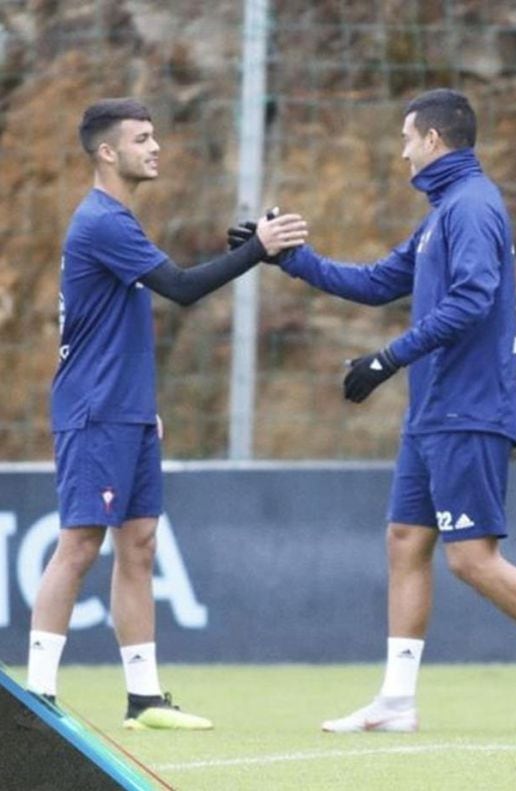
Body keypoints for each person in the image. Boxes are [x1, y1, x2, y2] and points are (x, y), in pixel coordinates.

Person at [230, 88, 516, 734]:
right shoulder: (444, 210)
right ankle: (396, 699)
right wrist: (288, 259)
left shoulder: (472, 206)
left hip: (469, 409)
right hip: (434, 412)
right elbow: (380, 280)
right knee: (406, 540)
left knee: (471, 558)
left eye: (408, 138)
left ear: (435, 141)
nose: (402, 150)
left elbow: (474, 299)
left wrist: (387, 360)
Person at [28, 98, 308, 730]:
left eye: (155, 136)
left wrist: (141, 407)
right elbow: (181, 287)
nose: (156, 147)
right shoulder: (101, 221)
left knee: (141, 544)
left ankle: (144, 698)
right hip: (94, 412)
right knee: (78, 543)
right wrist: (258, 248)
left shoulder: (119, 220)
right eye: (143, 138)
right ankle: (36, 697)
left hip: (126, 412)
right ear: (108, 152)